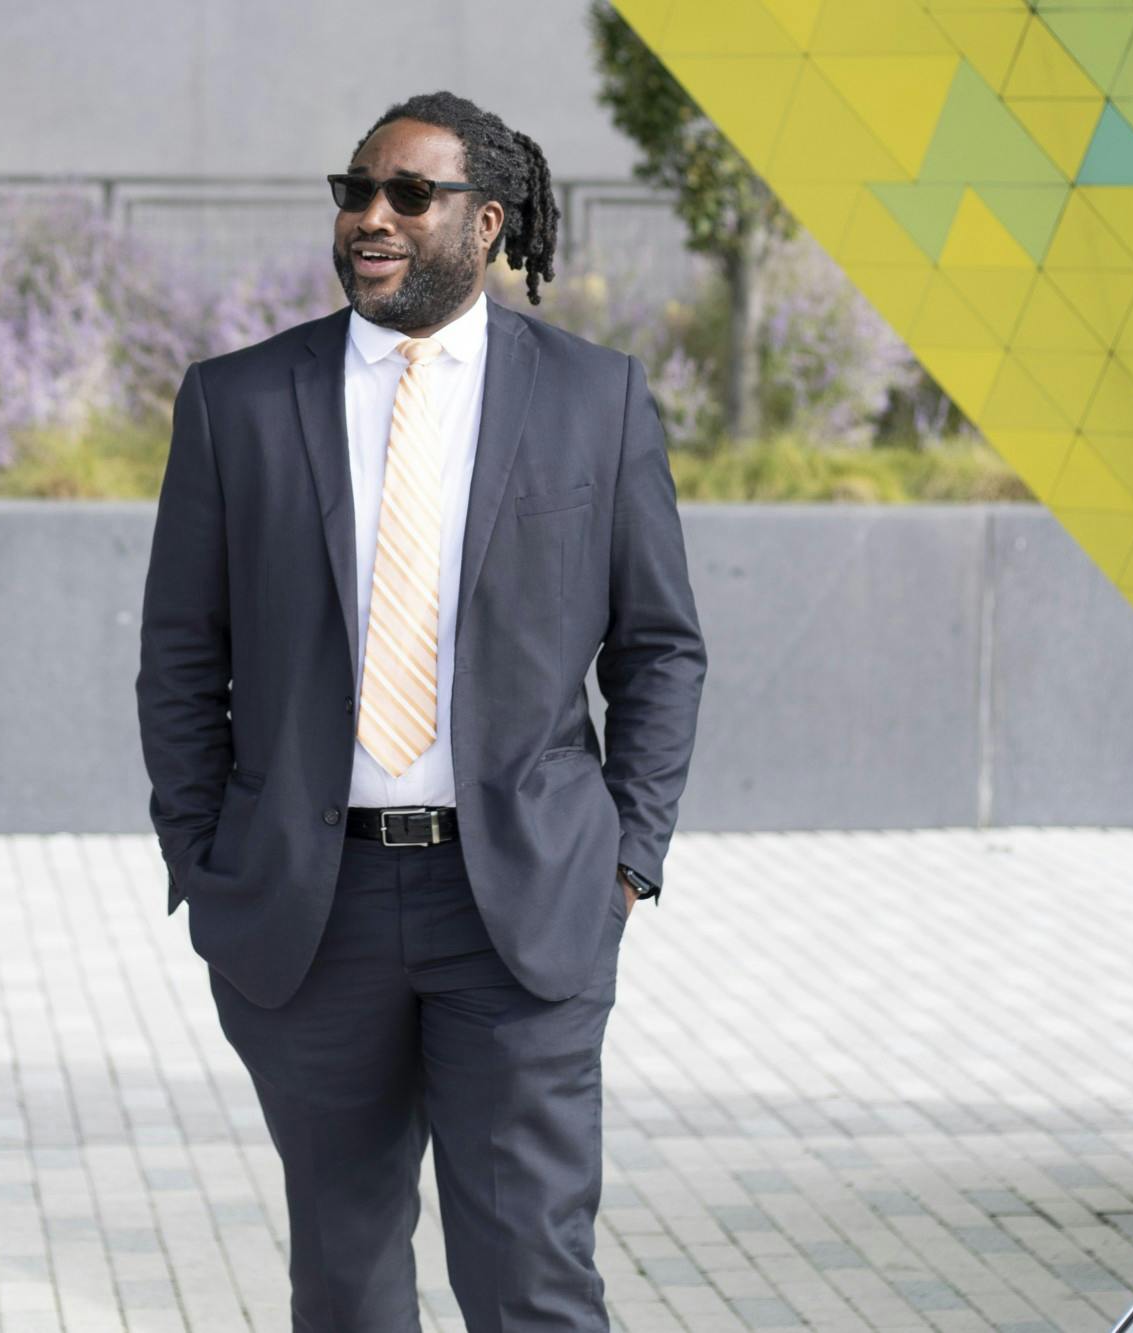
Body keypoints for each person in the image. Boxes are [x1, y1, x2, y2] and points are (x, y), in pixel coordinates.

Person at [134, 90, 707, 1331]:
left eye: (407, 194)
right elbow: (182, 655)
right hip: (307, 908)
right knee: (342, 1279)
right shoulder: (234, 402)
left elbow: (659, 647)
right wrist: (204, 856)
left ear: (488, 221)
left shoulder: (591, 400)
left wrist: (626, 859)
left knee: (530, 1279)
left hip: (521, 909)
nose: (370, 218)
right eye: (354, 192)